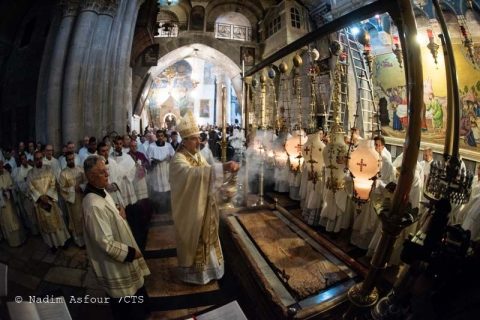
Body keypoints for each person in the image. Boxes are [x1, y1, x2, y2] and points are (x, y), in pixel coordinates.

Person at [169, 111, 239, 285]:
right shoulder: (178, 160)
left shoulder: (197, 155)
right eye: (194, 139)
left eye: (198, 138)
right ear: (184, 141)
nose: (198, 141)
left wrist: (223, 181)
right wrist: (222, 167)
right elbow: (194, 175)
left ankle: (210, 272)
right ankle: (194, 275)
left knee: (209, 238)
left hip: (205, 208)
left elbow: (208, 172)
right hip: (191, 211)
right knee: (195, 241)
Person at [82, 155, 150, 320]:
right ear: (90, 177)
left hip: (121, 252)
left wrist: (118, 208)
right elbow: (104, 242)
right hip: (116, 262)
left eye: (106, 170)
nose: (107, 174)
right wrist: (131, 253)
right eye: (102, 172)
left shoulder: (100, 191)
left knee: (135, 292)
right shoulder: (92, 205)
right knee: (126, 302)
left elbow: (108, 208)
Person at [27, 151, 70, 251]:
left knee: (57, 223)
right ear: (34, 160)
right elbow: (30, 188)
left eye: (40, 158)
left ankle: (62, 242)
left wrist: (48, 196)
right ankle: (52, 244)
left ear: (42, 158)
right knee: (46, 225)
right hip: (40, 203)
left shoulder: (49, 169)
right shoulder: (30, 173)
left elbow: (53, 183)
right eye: (36, 159)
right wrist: (40, 198)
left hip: (51, 201)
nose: (38, 161)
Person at [58, 152, 87, 247]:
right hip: (73, 201)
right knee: (76, 220)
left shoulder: (80, 169)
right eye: (69, 159)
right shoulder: (63, 173)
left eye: (72, 159)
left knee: (85, 217)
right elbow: (62, 189)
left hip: (82, 197)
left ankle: (87, 239)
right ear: (66, 161)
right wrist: (73, 189)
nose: (71, 161)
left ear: (74, 158)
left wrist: (82, 187)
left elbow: (86, 181)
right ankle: (79, 242)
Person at [0, 161, 26, 247]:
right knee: (8, 222)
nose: (1, 167)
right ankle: (14, 242)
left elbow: (13, 184)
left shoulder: (6, 173)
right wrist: (2, 192)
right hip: (3, 204)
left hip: (11, 201)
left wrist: (10, 188)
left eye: (1, 164)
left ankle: (21, 238)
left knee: (15, 219)